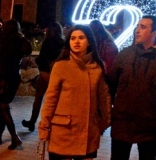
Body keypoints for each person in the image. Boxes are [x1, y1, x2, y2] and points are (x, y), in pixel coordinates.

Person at [108, 15, 156, 160]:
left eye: (143, 27)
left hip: (149, 123)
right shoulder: (124, 55)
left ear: (154, 33)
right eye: (137, 26)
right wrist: (110, 111)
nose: (137, 30)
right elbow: (110, 85)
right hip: (122, 122)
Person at [38, 24, 111, 159]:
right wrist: (44, 127)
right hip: (63, 132)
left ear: (89, 41)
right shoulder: (60, 66)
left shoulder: (97, 68)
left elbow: (104, 97)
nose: (76, 41)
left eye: (81, 38)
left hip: (88, 133)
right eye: (73, 38)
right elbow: (50, 99)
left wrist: (104, 122)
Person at [0, 19, 32, 149]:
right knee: (4, 107)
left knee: (3, 108)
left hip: (5, 77)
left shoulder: (5, 41)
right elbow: (28, 52)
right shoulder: (21, 41)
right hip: (15, 76)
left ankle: (14, 137)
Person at [21, 21, 65, 132]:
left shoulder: (47, 42)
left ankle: (32, 121)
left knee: (38, 98)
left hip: (45, 73)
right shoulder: (63, 43)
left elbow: (41, 58)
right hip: (58, 74)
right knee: (55, 100)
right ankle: (54, 123)